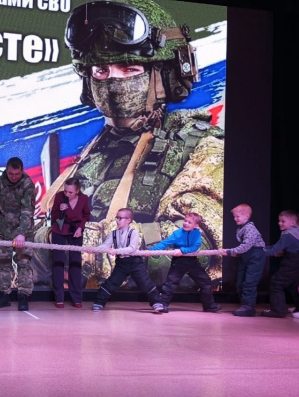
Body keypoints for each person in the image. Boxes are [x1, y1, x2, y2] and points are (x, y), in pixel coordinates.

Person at [39, 0, 224, 291]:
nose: (113, 82)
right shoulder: (96, 151)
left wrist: (88, 246)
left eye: (128, 69)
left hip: (155, 310)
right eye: (100, 71)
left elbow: (200, 240)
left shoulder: (202, 148)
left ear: (164, 77)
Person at [0, 157, 36, 311]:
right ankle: (3, 295)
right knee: (3, 264)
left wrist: (21, 233)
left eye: (17, 174)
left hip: (24, 231)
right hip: (3, 230)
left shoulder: (27, 184)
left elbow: (27, 211)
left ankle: (23, 296)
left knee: (24, 263)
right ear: (6, 170)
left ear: (22, 171)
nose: (14, 177)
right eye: (11, 173)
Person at [91, 208, 162, 312]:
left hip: (135, 262)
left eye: (120, 218)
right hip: (121, 263)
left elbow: (132, 248)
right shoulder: (114, 233)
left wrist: (116, 251)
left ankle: (157, 302)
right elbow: (105, 245)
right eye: (117, 218)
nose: (117, 220)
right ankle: (99, 302)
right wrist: (94, 249)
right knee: (111, 283)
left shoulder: (134, 232)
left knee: (145, 283)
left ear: (128, 220)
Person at [150, 212, 221, 313]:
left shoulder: (197, 233)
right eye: (185, 221)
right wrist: (151, 251)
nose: (186, 223)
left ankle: (209, 306)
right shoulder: (177, 233)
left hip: (192, 261)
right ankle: (163, 305)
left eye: (189, 222)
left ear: (196, 226)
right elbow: (165, 243)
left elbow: (195, 246)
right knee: (170, 283)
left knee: (205, 282)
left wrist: (182, 251)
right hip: (179, 262)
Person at [50, 177, 90, 308]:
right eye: (65, 191)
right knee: (58, 262)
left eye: (70, 192)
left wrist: (80, 228)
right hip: (59, 229)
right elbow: (53, 216)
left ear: (77, 191)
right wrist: (59, 210)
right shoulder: (59, 197)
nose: (67, 194)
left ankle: (76, 298)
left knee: (75, 262)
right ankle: (59, 298)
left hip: (75, 230)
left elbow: (86, 216)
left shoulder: (83, 199)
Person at [261, 210, 299, 318]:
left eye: (283, 221)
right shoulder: (297, 232)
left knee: (276, 283)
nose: (279, 223)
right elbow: (276, 247)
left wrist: (257, 253)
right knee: (294, 286)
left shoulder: (288, 235)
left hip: (293, 263)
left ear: (292, 223)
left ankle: (278, 310)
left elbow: (274, 250)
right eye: (279, 221)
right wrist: (261, 249)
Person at [222, 204, 266, 317]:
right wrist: (237, 253)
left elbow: (247, 245)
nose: (235, 219)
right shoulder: (242, 228)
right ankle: (244, 304)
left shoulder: (250, 228)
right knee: (240, 282)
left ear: (247, 216)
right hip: (246, 256)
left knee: (249, 283)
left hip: (255, 256)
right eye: (234, 216)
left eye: (237, 216)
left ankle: (248, 307)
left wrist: (231, 251)